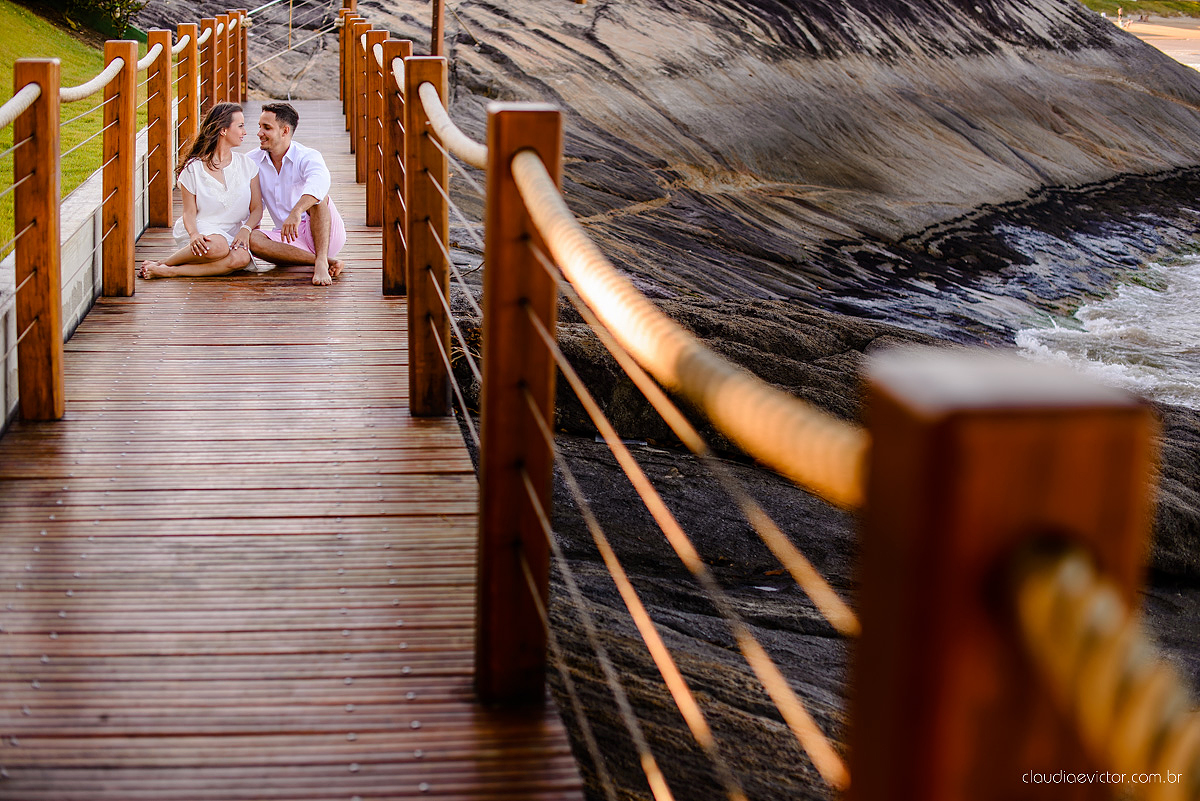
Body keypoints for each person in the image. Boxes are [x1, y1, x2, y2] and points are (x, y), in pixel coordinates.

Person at [140, 102, 262, 279]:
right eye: (240, 126)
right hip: (202, 228)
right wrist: (194, 234)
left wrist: (246, 229)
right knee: (218, 246)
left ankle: (169, 270)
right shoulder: (193, 168)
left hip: (234, 232)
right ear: (223, 130)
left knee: (241, 259)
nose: (245, 132)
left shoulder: (247, 165)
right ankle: (165, 262)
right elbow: (188, 212)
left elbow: (257, 208)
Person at [247, 103, 347, 286]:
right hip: (289, 238)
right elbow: (246, 201)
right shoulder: (251, 160)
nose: (259, 133)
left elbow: (320, 184)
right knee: (252, 238)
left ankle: (322, 259)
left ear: (285, 131)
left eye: (266, 128)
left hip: (325, 232)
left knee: (318, 198)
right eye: (259, 126)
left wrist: (296, 211)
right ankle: (324, 261)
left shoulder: (307, 156)